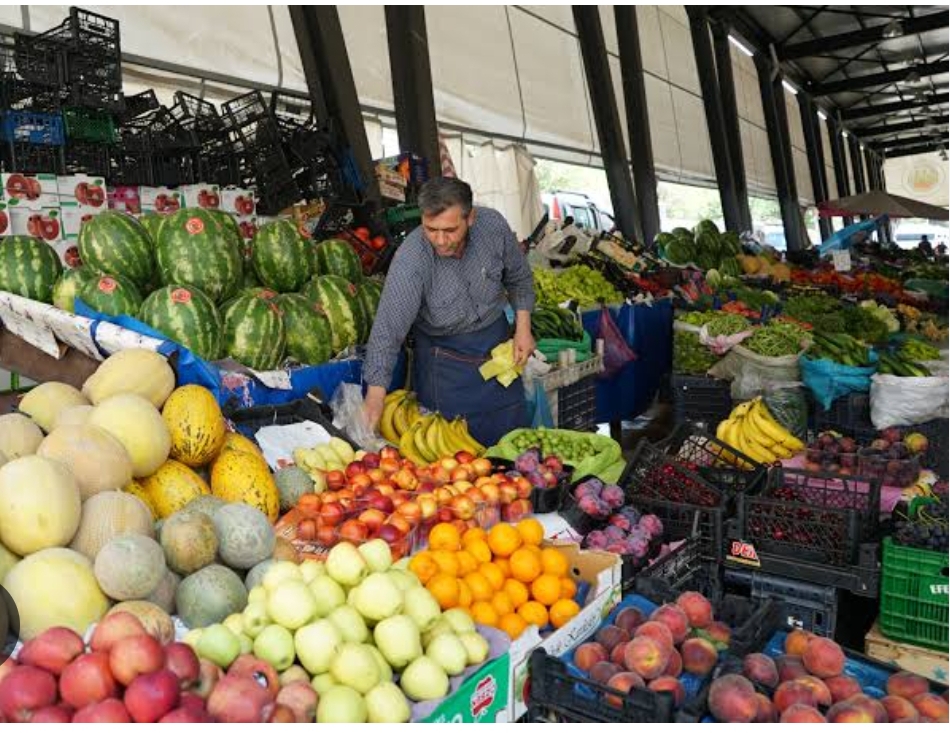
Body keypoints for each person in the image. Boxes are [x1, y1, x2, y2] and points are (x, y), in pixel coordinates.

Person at [362, 177, 535, 447]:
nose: (440, 241)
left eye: (450, 230)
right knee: (454, 456)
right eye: (431, 229)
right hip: (445, 366)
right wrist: (375, 395)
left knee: (512, 448)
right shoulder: (411, 260)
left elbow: (519, 278)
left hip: (499, 351)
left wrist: (523, 328)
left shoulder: (492, 226)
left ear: (470, 217)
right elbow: (388, 331)